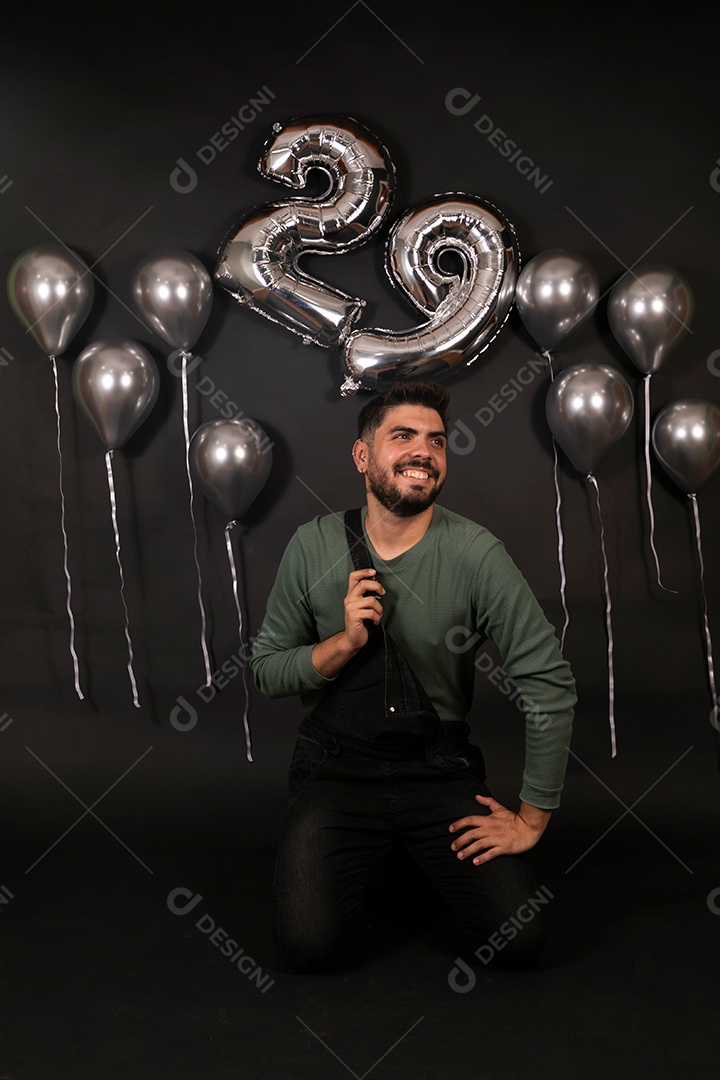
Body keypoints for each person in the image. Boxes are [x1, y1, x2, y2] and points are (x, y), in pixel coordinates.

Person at [250, 379, 576, 972]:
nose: (423, 451)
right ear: (363, 455)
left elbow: (548, 683)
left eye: (437, 440)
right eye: (403, 436)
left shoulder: (476, 554)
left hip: (435, 769)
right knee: (308, 947)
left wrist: (532, 817)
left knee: (520, 940)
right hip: (336, 769)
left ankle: (409, 854)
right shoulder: (312, 545)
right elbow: (267, 670)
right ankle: (385, 851)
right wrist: (344, 643)